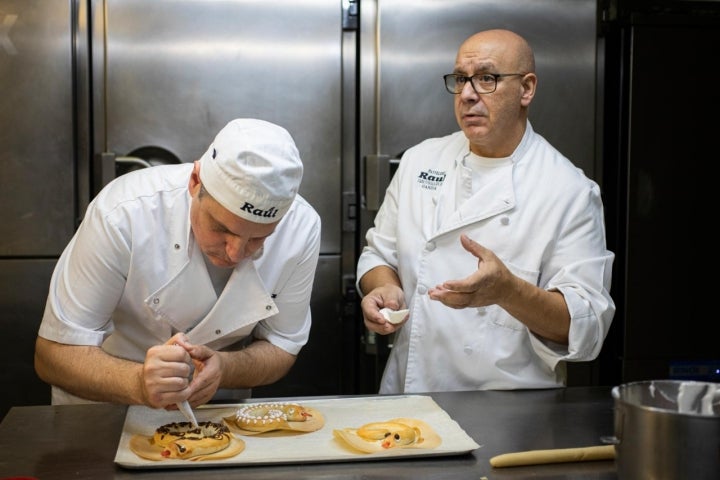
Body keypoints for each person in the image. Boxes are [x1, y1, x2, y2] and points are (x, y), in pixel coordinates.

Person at [357, 29, 615, 394]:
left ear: (527, 89)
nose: (466, 95)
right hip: (408, 396)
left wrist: (507, 291)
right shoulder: (419, 161)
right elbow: (378, 254)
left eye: (487, 79)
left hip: (509, 410)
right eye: (461, 79)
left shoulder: (569, 191)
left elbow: (585, 328)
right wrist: (384, 287)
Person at [35, 118, 321, 409]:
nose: (235, 254)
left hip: (215, 415)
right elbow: (52, 356)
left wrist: (225, 367)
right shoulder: (123, 213)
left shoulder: (301, 229)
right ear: (195, 182)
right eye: (222, 228)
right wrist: (137, 383)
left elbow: (282, 346)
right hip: (105, 412)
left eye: (258, 238)